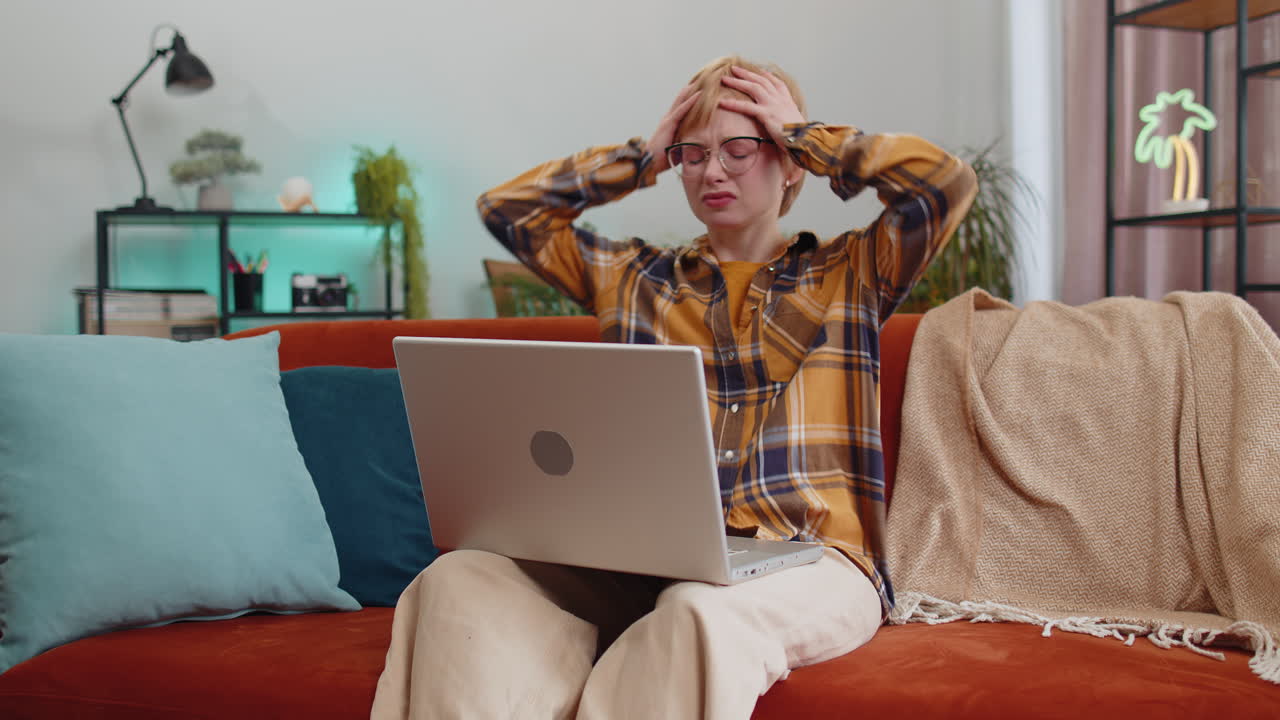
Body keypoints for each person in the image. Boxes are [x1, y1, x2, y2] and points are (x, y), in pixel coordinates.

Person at [371, 55, 977, 720]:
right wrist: (643, 157)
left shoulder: (852, 271)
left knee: (696, 613)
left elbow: (942, 186)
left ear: (789, 162)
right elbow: (509, 210)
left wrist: (807, 133)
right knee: (460, 578)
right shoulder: (634, 279)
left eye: (741, 149)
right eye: (694, 154)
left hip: (811, 561)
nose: (712, 171)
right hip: (640, 564)